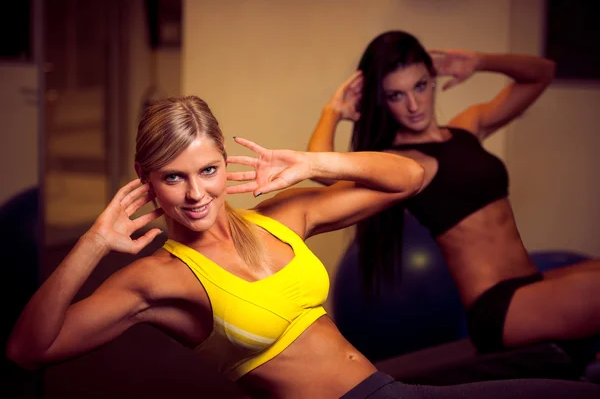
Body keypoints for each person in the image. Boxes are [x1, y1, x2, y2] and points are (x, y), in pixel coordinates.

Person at [7, 96, 600, 398]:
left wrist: (315, 163)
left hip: (389, 392)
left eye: (208, 170)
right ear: (145, 179)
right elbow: (30, 349)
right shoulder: (157, 279)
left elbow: (411, 177)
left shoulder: (280, 219)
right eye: (173, 177)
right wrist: (92, 242)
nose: (195, 194)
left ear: (223, 161)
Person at [308, 30, 600, 356]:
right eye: (396, 96)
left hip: (531, 285)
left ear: (433, 79)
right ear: (382, 100)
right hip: (499, 309)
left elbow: (542, 73)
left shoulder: (467, 128)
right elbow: (324, 172)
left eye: (419, 86)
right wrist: (332, 112)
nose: (414, 105)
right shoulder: (399, 162)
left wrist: (480, 61)